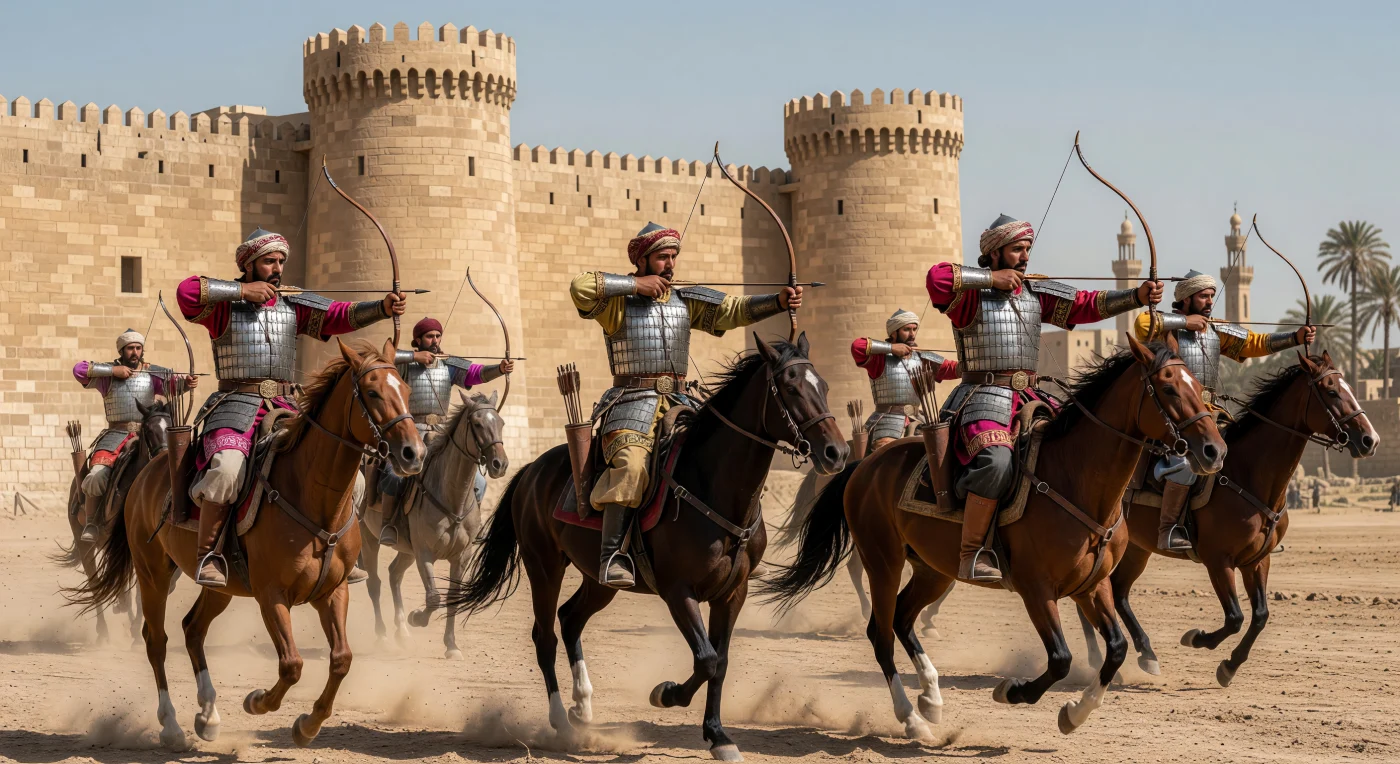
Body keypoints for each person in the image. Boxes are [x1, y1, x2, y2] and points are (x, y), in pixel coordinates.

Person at [927, 214, 1161, 582]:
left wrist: (1135, 296)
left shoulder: (1035, 293)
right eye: (1017, 249)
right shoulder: (969, 297)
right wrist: (991, 279)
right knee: (996, 461)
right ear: (994, 252)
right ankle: (972, 551)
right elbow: (936, 278)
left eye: (1027, 249)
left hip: (1030, 397)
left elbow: (1087, 304)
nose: (1024, 257)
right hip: (982, 398)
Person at [570, 222, 801, 588]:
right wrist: (634, 285)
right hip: (632, 402)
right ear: (643, 260)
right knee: (631, 466)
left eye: (674, 256)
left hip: (680, 401)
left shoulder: (684, 301)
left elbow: (732, 310)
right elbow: (579, 287)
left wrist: (777, 301)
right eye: (663, 257)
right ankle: (611, 555)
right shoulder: (617, 304)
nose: (670, 264)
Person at [176, 227, 407, 587]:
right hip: (235, 403)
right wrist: (241, 290)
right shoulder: (223, 307)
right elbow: (186, 292)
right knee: (226, 468)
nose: (277, 267)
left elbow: (338, 314)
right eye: (269, 261)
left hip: (285, 405)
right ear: (249, 265)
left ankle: (341, 548)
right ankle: (211, 553)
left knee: (353, 478)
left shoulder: (291, 305)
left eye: (281, 260)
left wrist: (381, 308)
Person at [1136, 270, 1314, 551]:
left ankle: (1257, 526)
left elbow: (1255, 343)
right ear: (1185, 299)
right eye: (1203, 296)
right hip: (1176, 415)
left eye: (1211, 296)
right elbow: (1141, 320)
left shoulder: (1214, 330)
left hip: (1210, 414)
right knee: (1184, 464)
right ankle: (1169, 528)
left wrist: (1295, 337)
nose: (1209, 301)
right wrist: (1185, 321)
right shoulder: (1166, 328)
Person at [375, 316, 513, 546]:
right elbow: (384, 358)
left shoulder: (448, 365)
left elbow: (475, 373)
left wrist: (498, 369)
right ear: (418, 340)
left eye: (438, 336)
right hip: (412, 430)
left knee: (479, 481)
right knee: (393, 475)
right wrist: (413, 356)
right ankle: (389, 524)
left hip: (441, 432)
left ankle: (472, 524)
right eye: (430, 336)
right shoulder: (405, 365)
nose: (435, 340)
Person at [72, 329, 197, 542]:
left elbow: (174, 383)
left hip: (149, 434)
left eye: (138, 348)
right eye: (130, 348)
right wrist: (113, 372)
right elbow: (79, 370)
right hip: (115, 435)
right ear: (122, 351)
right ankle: (92, 521)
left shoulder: (152, 374)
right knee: (96, 475)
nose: (135, 352)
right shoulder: (108, 375)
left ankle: (178, 514)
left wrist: (187, 383)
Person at [850, 309, 960, 454]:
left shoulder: (923, 358)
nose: (912, 334)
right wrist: (891, 348)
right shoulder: (880, 359)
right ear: (893, 333)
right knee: (887, 456)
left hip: (919, 419)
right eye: (906, 329)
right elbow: (857, 346)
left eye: (914, 329)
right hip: (888, 420)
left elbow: (953, 368)